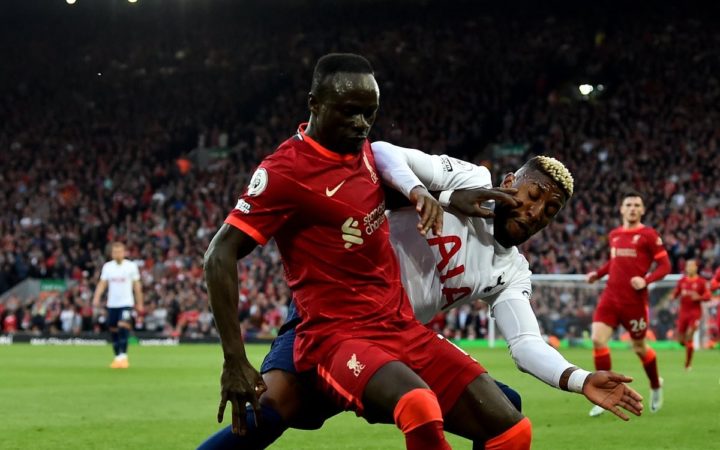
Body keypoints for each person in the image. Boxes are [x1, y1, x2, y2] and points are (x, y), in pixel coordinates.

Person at [198, 145, 643, 449]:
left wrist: (579, 379)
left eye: (549, 211)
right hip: (338, 313)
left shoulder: (512, 270)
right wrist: (441, 196)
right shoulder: (470, 177)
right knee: (270, 411)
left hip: (401, 338)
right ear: (509, 181)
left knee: (503, 410)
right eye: (532, 196)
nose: (535, 212)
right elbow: (381, 154)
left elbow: (525, 344)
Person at [203, 53, 531, 450]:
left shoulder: (364, 154)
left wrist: (447, 198)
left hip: (399, 326)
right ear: (314, 104)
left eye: (369, 113)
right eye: (349, 112)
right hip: (334, 335)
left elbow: (374, 194)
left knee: (512, 429)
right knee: (406, 406)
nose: (360, 124)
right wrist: (235, 360)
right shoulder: (285, 172)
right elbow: (219, 254)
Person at [586, 190, 671, 416]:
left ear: (642, 210)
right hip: (610, 297)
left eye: (636, 205)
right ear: (621, 209)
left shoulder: (649, 235)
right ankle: (605, 392)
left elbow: (665, 267)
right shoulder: (614, 235)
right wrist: (597, 274)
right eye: (629, 205)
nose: (632, 208)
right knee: (597, 339)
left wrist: (646, 280)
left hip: (634, 301)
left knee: (640, 348)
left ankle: (656, 385)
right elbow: (614, 262)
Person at [91, 242, 144, 369]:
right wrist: (96, 297)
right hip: (112, 304)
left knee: (123, 327)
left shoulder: (131, 266)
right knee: (113, 330)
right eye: (115, 252)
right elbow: (102, 284)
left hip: (126, 303)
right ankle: (117, 357)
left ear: (124, 252)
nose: (117, 254)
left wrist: (140, 303)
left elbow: (137, 286)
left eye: (120, 251)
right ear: (112, 254)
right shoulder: (108, 267)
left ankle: (124, 357)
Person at [670, 259, 710, 370]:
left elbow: (708, 296)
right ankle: (688, 347)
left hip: (695, 313)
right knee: (680, 340)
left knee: (689, 336)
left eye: (692, 266)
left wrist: (699, 297)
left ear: (696, 268)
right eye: (688, 266)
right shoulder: (682, 281)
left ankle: (688, 364)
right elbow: (676, 292)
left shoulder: (701, 282)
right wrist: (672, 296)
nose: (690, 268)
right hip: (683, 313)